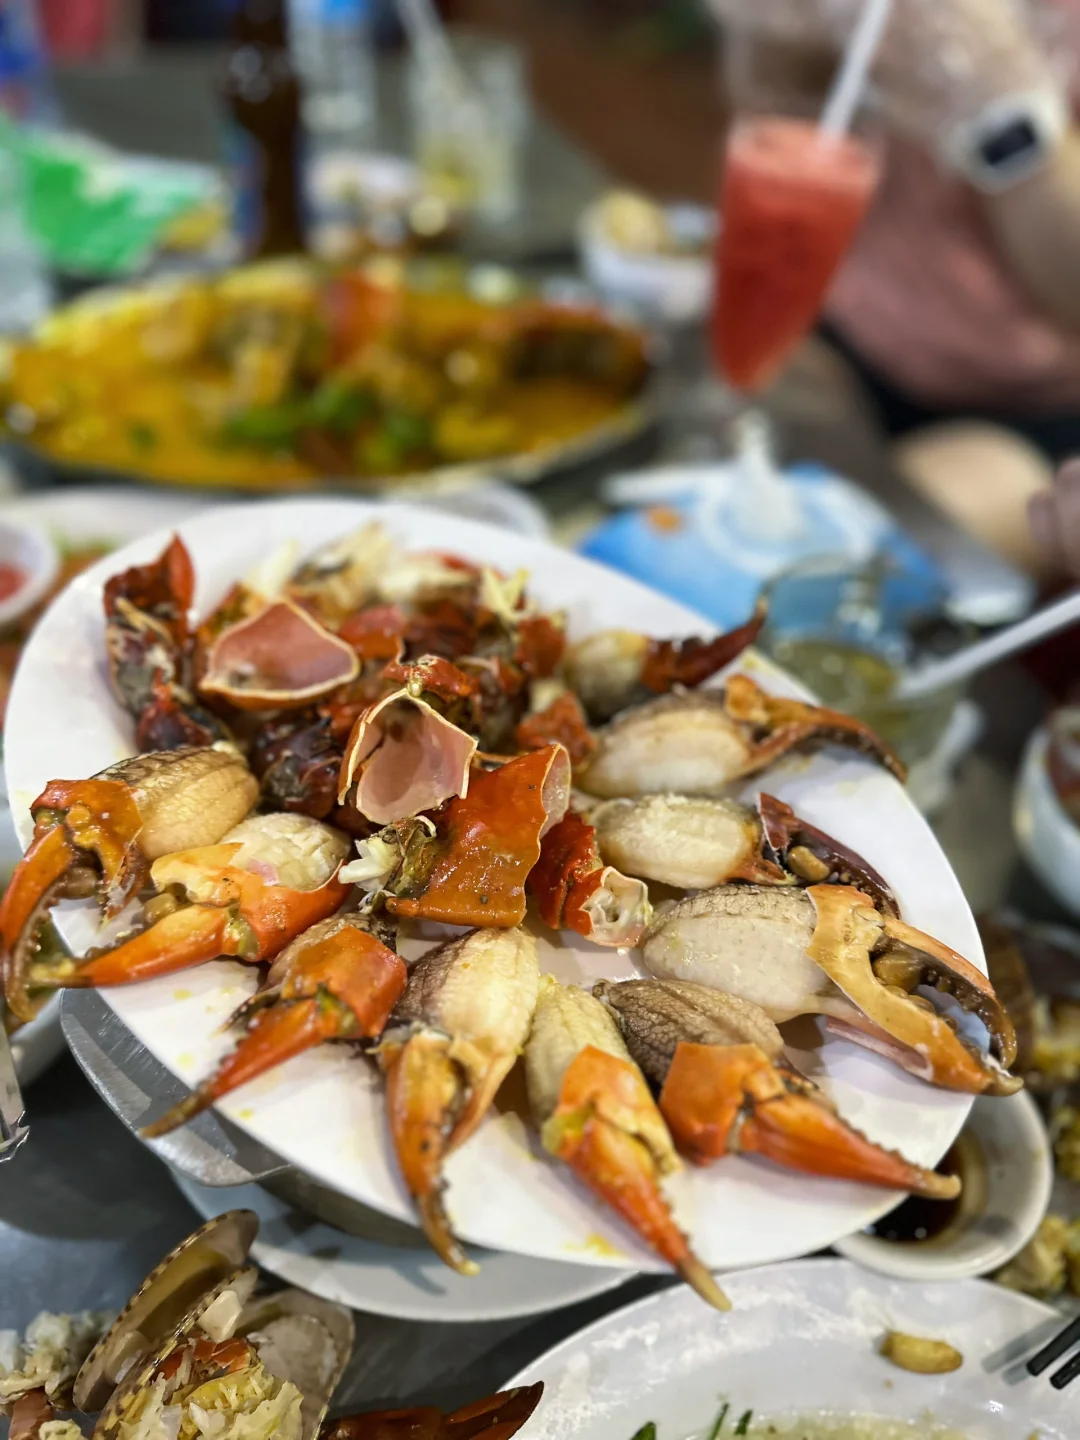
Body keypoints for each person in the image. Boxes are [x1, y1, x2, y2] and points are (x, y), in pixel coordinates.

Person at [708, 0, 1080, 582]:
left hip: (1021, 415)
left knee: (807, 571)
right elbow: (789, 120)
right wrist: (779, 45)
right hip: (834, 324)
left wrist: (1002, 109)